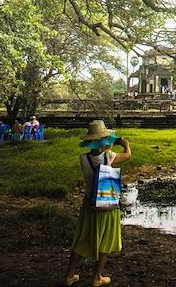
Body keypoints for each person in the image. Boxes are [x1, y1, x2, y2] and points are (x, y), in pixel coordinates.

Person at [63, 120, 131, 287]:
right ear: (104, 141)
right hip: (107, 203)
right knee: (106, 239)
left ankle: (69, 276)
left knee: (83, 238)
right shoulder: (109, 156)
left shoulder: (83, 158)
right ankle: (97, 277)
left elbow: (95, 161)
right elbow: (128, 155)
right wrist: (125, 144)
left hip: (89, 203)